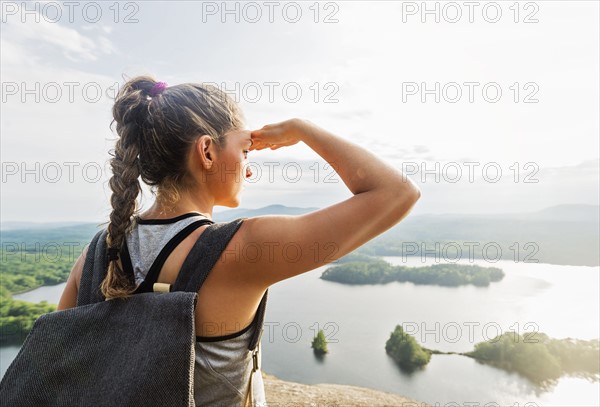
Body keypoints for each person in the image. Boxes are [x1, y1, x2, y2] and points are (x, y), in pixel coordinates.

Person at [57, 75, 421, 405]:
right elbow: (396, 192)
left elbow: (58, 366)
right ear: (207, 152)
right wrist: (303, 129)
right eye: (244, 151)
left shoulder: (97, 252)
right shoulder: (242, 247)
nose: (248, 168)